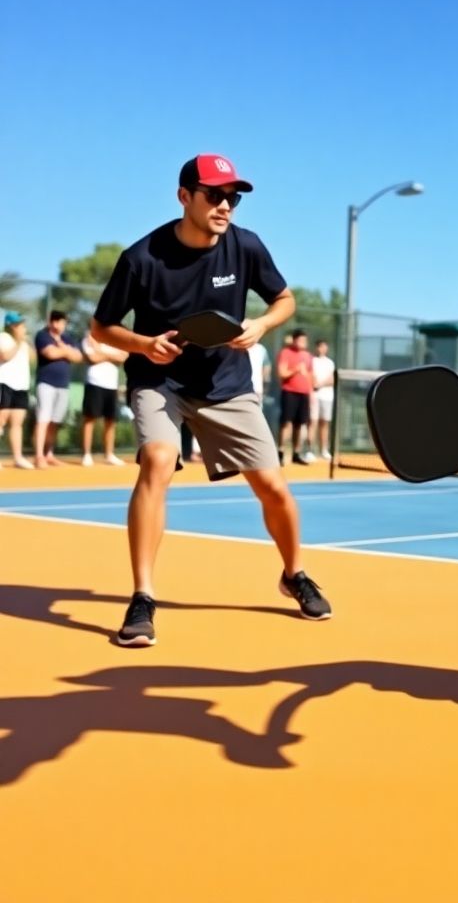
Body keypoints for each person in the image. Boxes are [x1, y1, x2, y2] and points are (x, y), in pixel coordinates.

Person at [90, 153, 332, 647]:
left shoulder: (245, 247)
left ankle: (294, 574)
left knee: (273, 487)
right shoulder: (142, 257)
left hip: (226, 384)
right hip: (160, 382)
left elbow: (284, 300)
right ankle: (143, 598)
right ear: (185, 197)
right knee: (157, 459)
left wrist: (260, 325)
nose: (226, 205)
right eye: (215, 195)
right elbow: (101, 327)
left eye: (233, 197)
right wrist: (143, 344)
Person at [33, 310, 83, 467]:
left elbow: (78, 357)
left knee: (55, 421)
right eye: (54, 321)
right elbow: (50, 353)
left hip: (63, 385)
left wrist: (64, 350)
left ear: (64, 323)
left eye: (60, 321)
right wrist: (67, 351)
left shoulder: (68, 338)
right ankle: (39, 456)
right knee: (43, 419)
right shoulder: (42, 336)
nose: (57, 324)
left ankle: (49, 454)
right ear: (50, 322)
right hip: (46, 384)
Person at [80, 332, 129, 466]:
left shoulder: (114, 339)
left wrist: (102, 352)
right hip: (94, 383)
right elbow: (93, 358)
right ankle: (86, 455)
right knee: (90, 418)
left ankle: (109, 454)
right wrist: (111, 356)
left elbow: (124, 356)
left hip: (111, 385)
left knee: (111, 420)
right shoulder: (89, 337)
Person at [0, 311, 35, 469]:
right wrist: (19, 343)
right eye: (19, 324)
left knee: (17, 423)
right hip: (5, 384)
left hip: (21, 386)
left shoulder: (23, 343)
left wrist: (26, 343)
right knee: (1, 421)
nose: (22, 327)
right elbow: (5, 356)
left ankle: (18, 457)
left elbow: (33, 359)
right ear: (11, 326)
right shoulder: (4, 338)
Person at [276, 329, 314, 465]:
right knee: (286, 423)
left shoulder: (308, 356)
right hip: (289, 392)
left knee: (300, 424)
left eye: (304, 340)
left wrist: (311, 393)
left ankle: (296, 454)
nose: (303, 343)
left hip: (304, 394)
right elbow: (281, 373)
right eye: (300, 340)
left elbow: (310, 376)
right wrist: (295, 370)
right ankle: (280, 453)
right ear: (294, 340)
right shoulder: (285, 353)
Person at [310, 339, 336, 460]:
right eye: (320, 346)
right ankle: (310, 450)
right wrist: (315, 385)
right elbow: (311, 377)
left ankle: (324, 450)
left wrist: (320, 384)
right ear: (317, 348)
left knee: (324, 423)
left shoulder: (330, 363)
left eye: (325, 346)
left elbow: (332, 380)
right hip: (314, 397)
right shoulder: (312, 361)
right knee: (313, 422)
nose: (323, 349)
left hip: (327, 397)